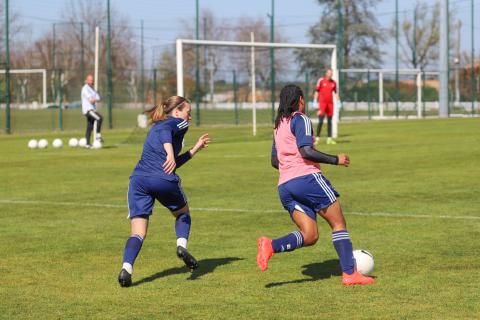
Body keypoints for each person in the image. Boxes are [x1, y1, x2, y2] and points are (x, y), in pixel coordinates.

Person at [256, 84, 374, 286]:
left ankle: (271, 245)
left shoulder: (279, 125)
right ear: (300, 100)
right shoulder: (300, 119)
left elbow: (275, 161)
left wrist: (291, 169)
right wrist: (336, 159)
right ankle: (350, 274)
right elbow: (306, 151)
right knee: (338, 224)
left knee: (310, 235)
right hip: (308, 180)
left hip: (285, 186)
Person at [118, 96, 210, 287]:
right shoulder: (177, 123)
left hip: (139, 181)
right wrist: (169, 151)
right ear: (177, 112)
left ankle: (126, 268)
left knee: (138, 232)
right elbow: (166, 133)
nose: (189, 117)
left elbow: (172, 163)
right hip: (161, 180)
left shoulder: (158, 127)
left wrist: (194, 150)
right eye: (188, 112)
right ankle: (181, 246)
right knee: (183, 213)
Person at [314, 68, 339, 145]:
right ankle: (317, 139)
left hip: (330, 104)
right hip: (322, 104)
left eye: (331, 73)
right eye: (329, 72)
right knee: (320, 121)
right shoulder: (321, 81)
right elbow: (317, 91)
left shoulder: (334, 82)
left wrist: (338, 101)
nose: (330, 74)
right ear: (326, 73)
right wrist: (315, 101)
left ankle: (329, 139)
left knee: (329, 121)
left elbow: (336, 93)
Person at [81, 74, 103, 148]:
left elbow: (98, 98)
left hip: (92, 109)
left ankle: (87, 144)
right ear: (86, 80)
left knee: (90, 126)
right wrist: (94, 99)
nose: (91, 81)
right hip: (88, 110)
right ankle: (98, 135)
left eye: (92, 80)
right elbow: (91, 101)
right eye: (90, 80)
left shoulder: (92, 89)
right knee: (99, 118)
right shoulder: (85, 88)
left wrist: (94, 99)